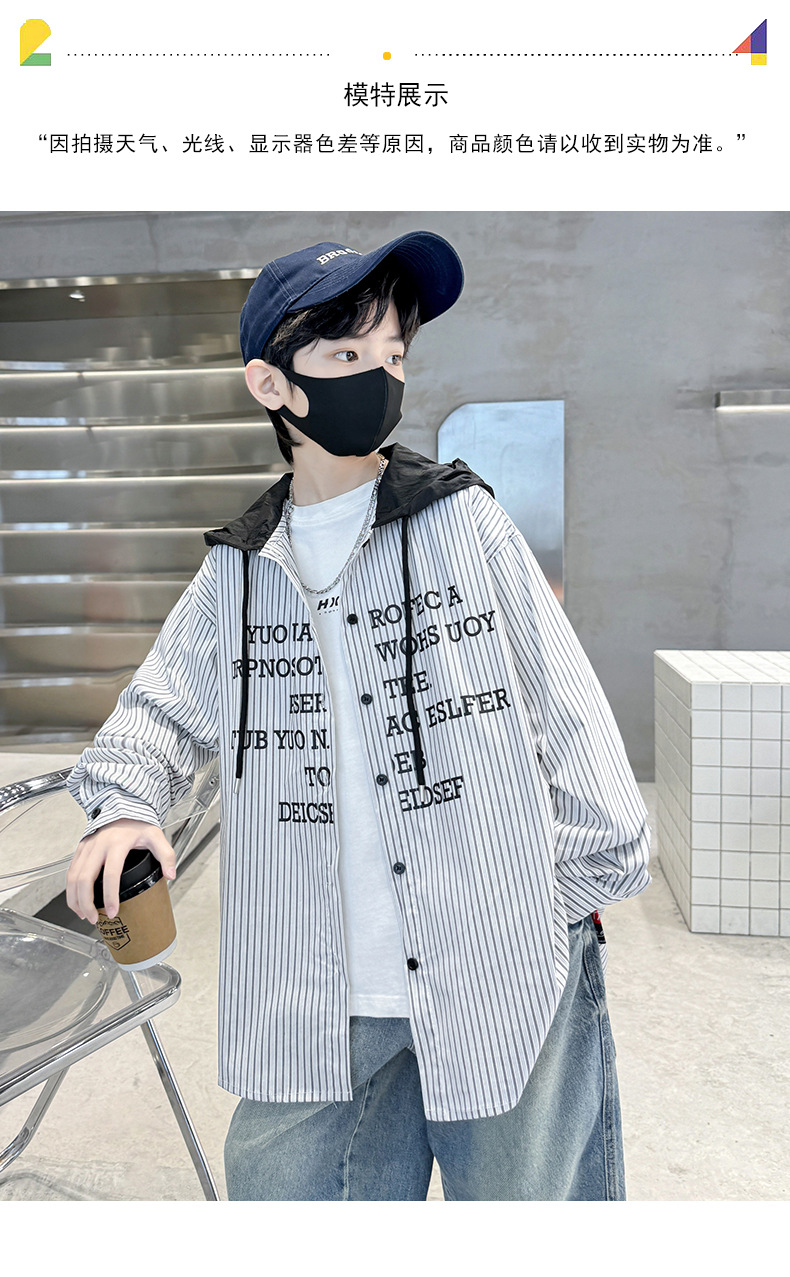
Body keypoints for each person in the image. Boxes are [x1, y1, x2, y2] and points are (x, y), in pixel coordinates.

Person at [65, 230, 651, 1201]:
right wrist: (123, 807)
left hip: (501, 967)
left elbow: (572, 719)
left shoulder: (465, 522)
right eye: (345, 354)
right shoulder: (238, 570)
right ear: (271, 385)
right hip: (314, 988)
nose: (379, 377)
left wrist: (539, 900)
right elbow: (156, 711)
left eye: (392, 354)